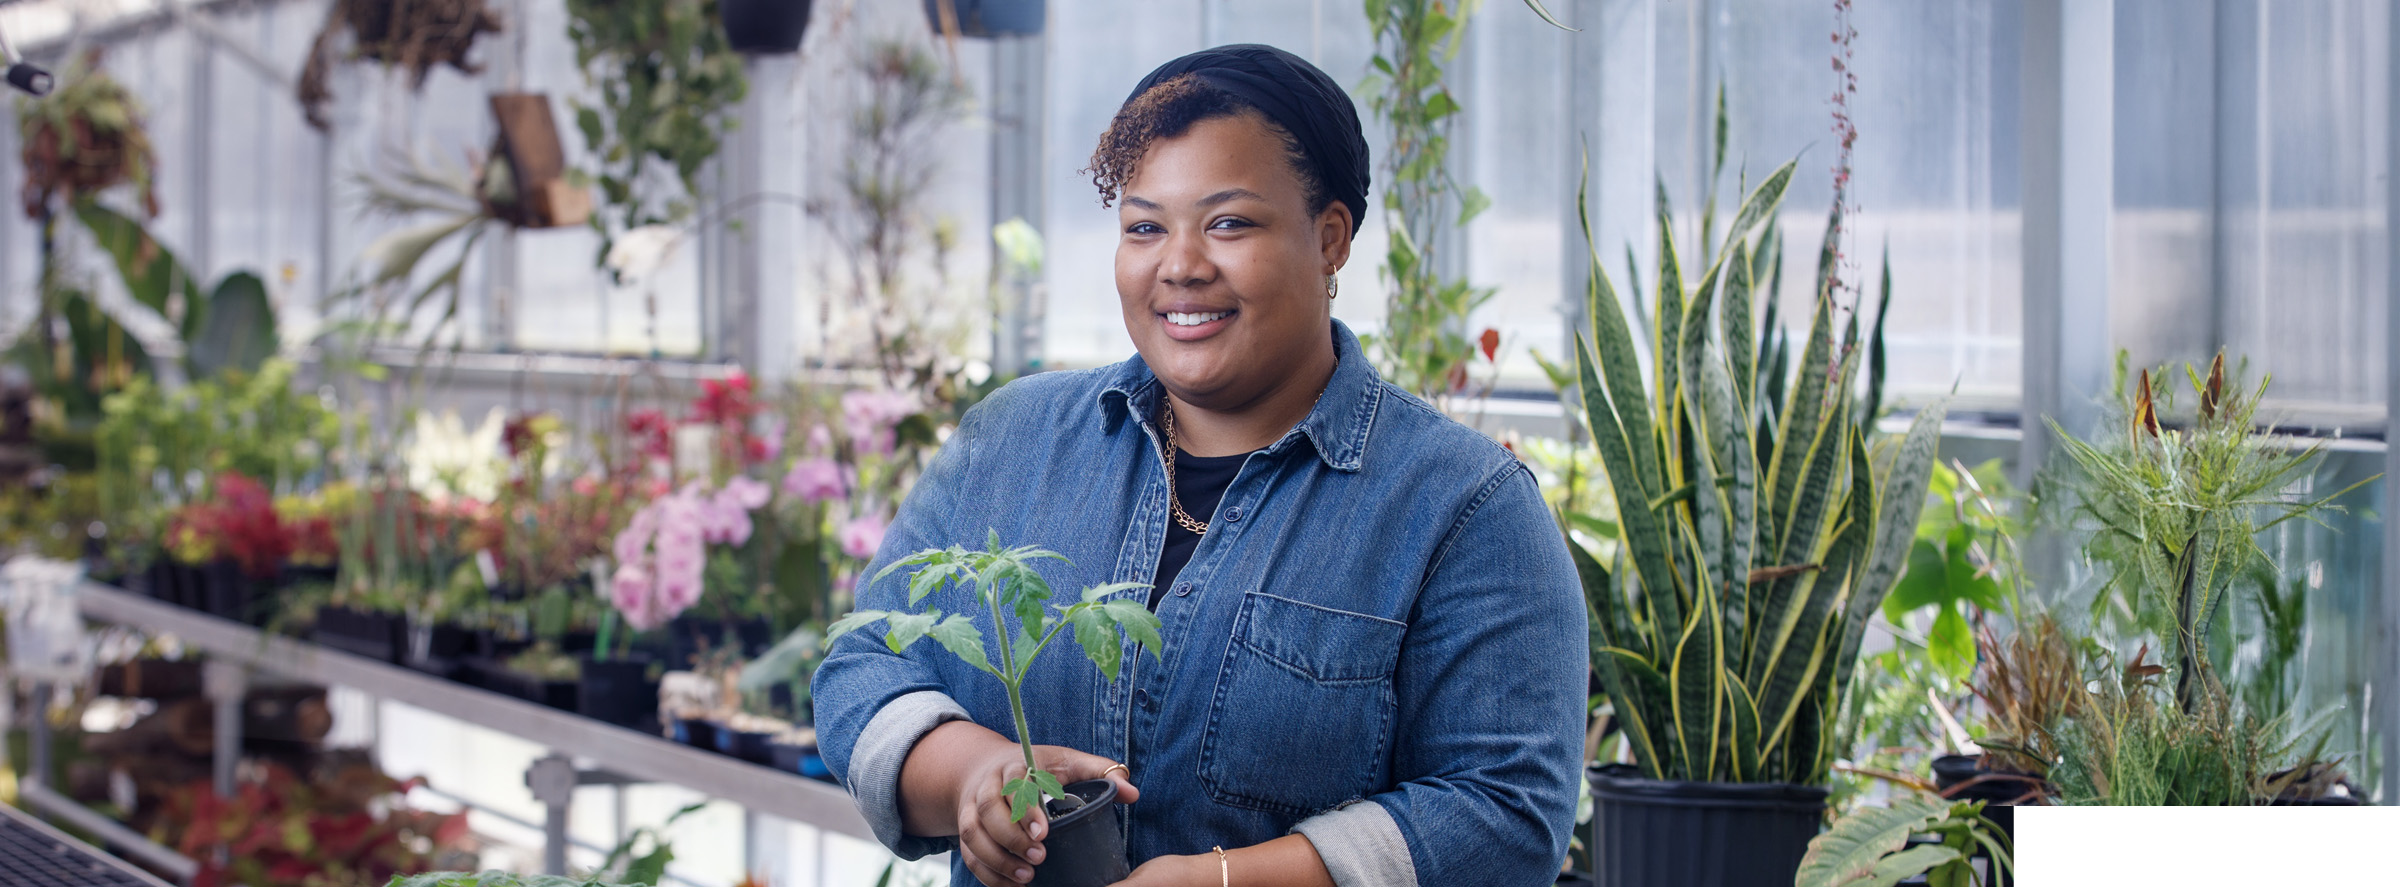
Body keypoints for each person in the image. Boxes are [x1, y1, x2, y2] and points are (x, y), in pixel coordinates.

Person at [813, 44, 1584, 887]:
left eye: (1229, 223)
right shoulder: (1013, 442)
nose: (1179, 264)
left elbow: (1506, 812)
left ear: (1330, 238)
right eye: (1144, 226)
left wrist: (1225, 880)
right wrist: (971, 773)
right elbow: (864, 662)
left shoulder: (1462, 507)